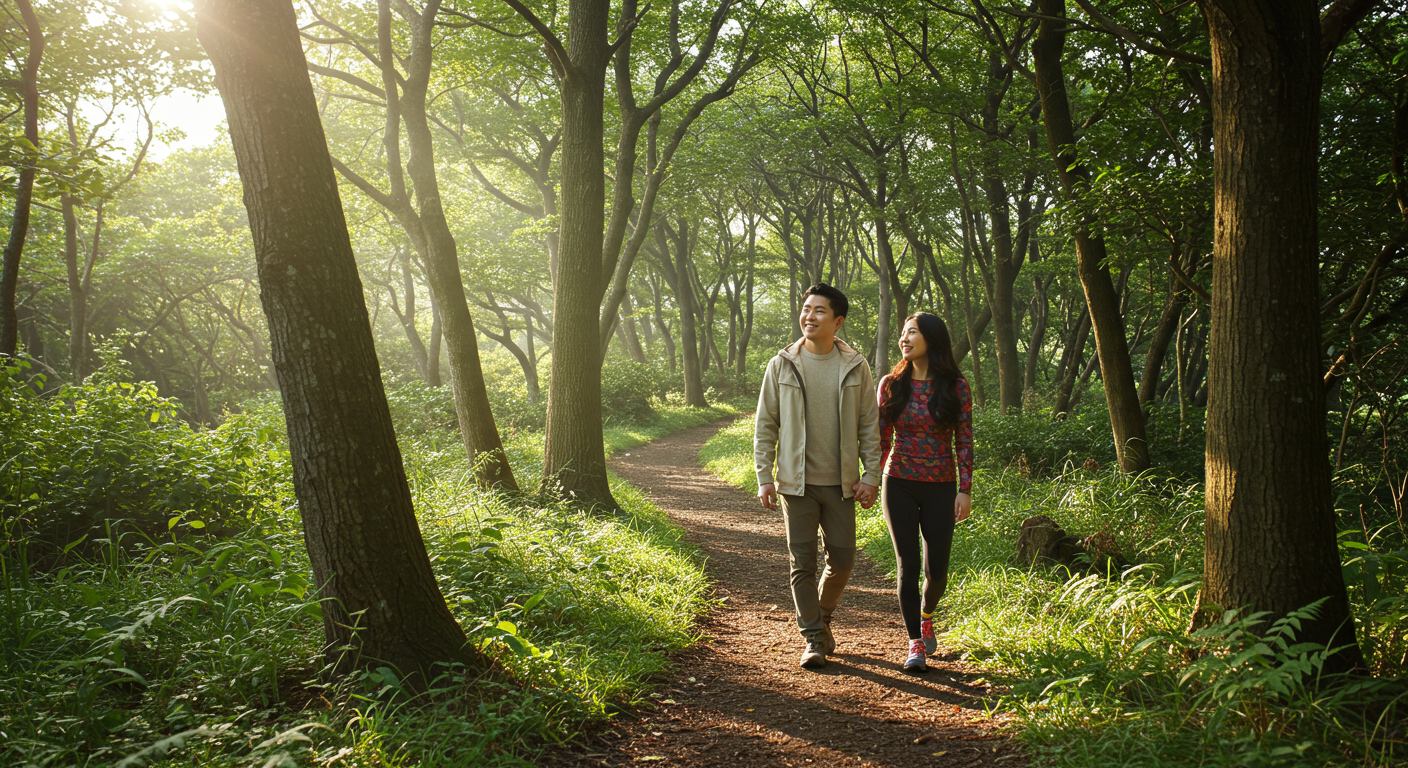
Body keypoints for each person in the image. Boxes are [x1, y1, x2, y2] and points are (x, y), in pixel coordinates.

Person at [754, 283, 883, 669]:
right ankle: (812, 637)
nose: (809, 316)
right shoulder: (781, 364)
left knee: (842, 560)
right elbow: (766, 424)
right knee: (802, 563)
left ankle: (823, 617)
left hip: (842, 483)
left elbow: (869, 425)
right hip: (796, 484)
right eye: (806, 309)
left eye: (819, 310)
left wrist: (871, 475)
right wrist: (764, 475)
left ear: (837, 321)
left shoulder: (856, 365)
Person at [876, 312, 973, 673]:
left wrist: (964, 489)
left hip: (941, 487)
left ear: (931, 339)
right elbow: (882, 438)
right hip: (898, 481)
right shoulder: (891, 384)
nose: (904, 338)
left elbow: (964, 440)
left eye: (912, 332)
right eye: (903, 333)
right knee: (908, 566)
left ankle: (927, 614)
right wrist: (872, 477)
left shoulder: (955, 386)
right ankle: (915, 643)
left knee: (937, 572)